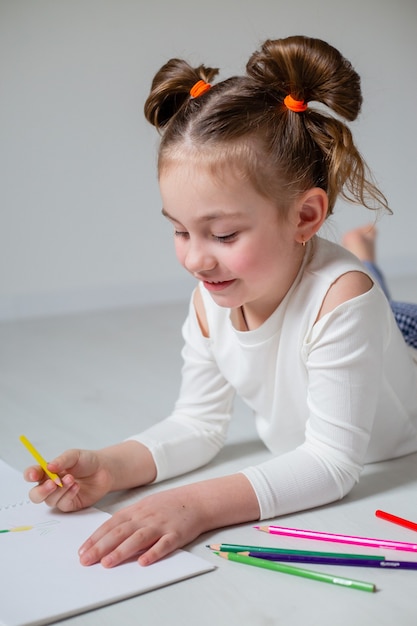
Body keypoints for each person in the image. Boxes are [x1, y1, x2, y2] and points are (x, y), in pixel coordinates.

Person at [24, 35, 417, 569]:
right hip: (337, 305)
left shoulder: (342, 300)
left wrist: (194, 505)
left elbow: (331, 464)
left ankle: (362, 258)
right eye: (181, 231)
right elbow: (197, 425)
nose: (194, 261)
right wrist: (111, 467)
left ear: (305, 216)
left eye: (224, 235)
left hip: (393, 339)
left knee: (372, 296)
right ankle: (363, 256)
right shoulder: (210, 301)